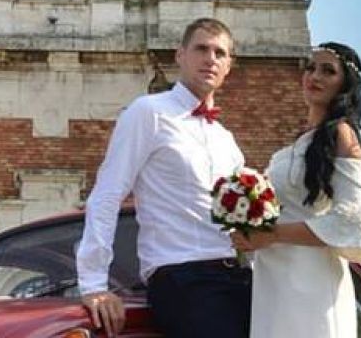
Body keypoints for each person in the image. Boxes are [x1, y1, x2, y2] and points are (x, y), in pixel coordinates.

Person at [76, 17, 250, 337]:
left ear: (229, 66)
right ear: (180, 55)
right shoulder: (149, 112)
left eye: (220, 53)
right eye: (201, 49)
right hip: (182, 277)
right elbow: (108, 193)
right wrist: (94, 284)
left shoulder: (226, 140)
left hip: (235, 276)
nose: (210, 59)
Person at [230, 41, 361, 338]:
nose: (315, 76)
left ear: (345, 84)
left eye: (328, 71)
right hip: (273, 276)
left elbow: (349, 218)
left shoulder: (342, 135)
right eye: (311, 68)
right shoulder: (299, 143)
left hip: (311, 275)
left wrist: (272, 234)